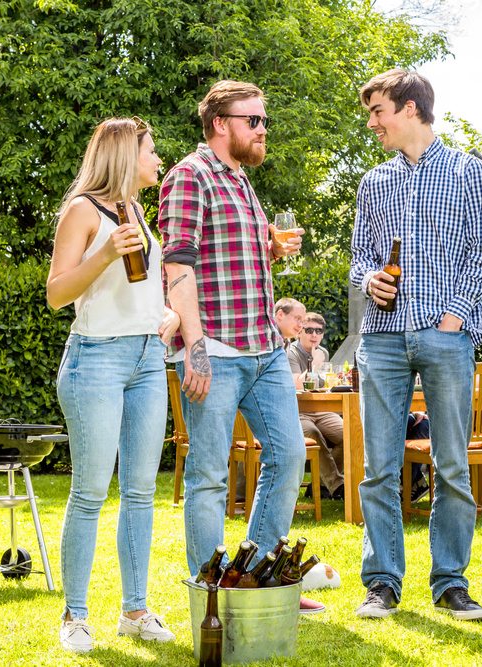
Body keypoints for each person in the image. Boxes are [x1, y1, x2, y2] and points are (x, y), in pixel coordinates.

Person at [160, 80, 323, 614]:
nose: (262, 129)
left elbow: (233, 265)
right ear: (220, 125)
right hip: (218, 352)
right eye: (253, 120)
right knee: (208, 474)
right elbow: (178, 266)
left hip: (264, 349)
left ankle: (254, 577)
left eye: (263, 120)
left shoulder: (243, 182)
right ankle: (213, 593)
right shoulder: (189, 176)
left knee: (290, 454)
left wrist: (271, 248)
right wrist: (196, 348)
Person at [350, 69, 482, 621]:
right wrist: (370, 281)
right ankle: (382, 582)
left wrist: (455, 319)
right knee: (379, 469)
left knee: (453, 465)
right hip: (384, 339)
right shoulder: (374, 182)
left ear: (410, 108)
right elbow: (360, 258)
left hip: (444, 337)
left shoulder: (468, 171)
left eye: (378, 112)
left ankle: (450, 582)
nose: (372, 123)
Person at [46, 117, 180, 652]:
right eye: (151, 151)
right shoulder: (82, 211)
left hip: (148, 357)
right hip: (95, 359)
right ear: (126, 154)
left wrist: (165, 315)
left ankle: (135, 609)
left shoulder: (140, 213)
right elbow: (57, 293)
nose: (158, 161)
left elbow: (138, 292)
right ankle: (75, 615)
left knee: (142, 492)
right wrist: (103, 252)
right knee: (90, 491)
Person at [287, 313, 345, 500]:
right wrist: (316, 362)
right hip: (298, 411)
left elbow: (323, 383)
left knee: (349, 434)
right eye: (309, 330)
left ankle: (319, 485)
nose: (314, 335)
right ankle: (337, 486)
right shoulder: (290, 352)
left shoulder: (323, 351)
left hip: (321, 409)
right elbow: (299, 385)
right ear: (299, 333)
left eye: (318, 331)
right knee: (313, 434)